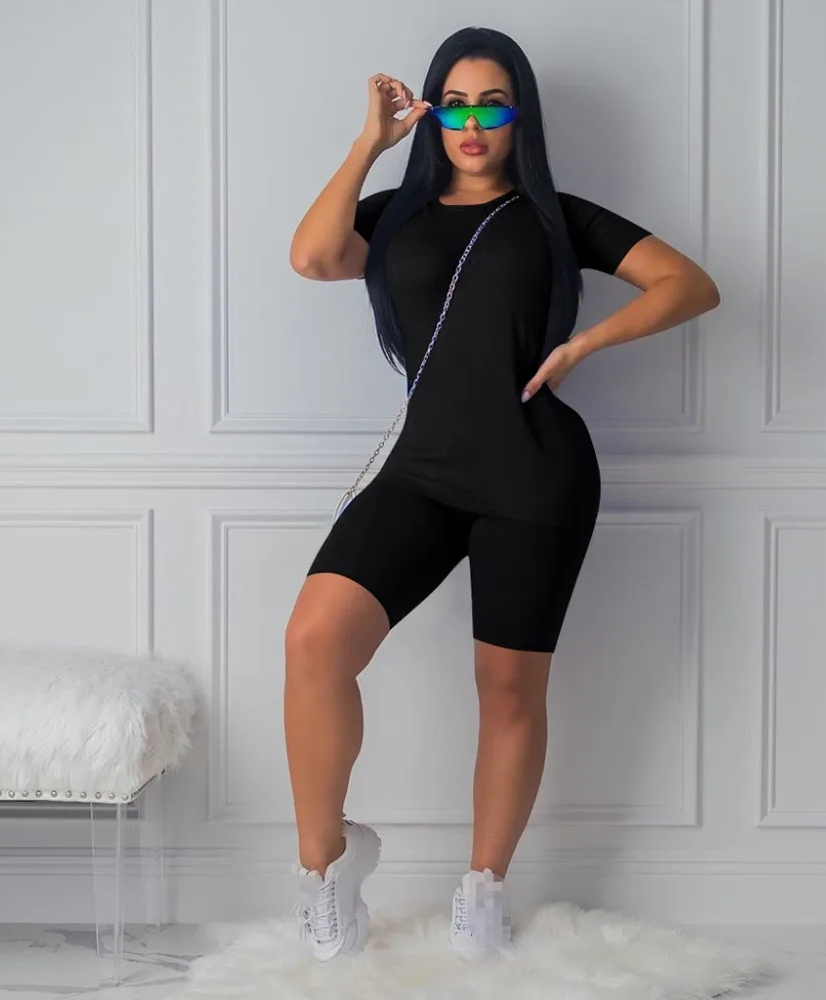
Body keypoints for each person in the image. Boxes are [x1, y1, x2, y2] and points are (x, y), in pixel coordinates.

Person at [284, 26, 720, 963]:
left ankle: (483, 889)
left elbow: (688, 284)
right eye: (455, 106)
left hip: (536, 470)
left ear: (520, 116)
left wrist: (584, 345)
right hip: (422, 474)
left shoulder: (556, 217)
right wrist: (371, 142)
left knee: (510, 687)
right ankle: (327, 866)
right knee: (315, 642)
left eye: (494, 105)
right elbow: (314, 257)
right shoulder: (394, 215)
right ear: (433, 115)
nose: (474, 124)